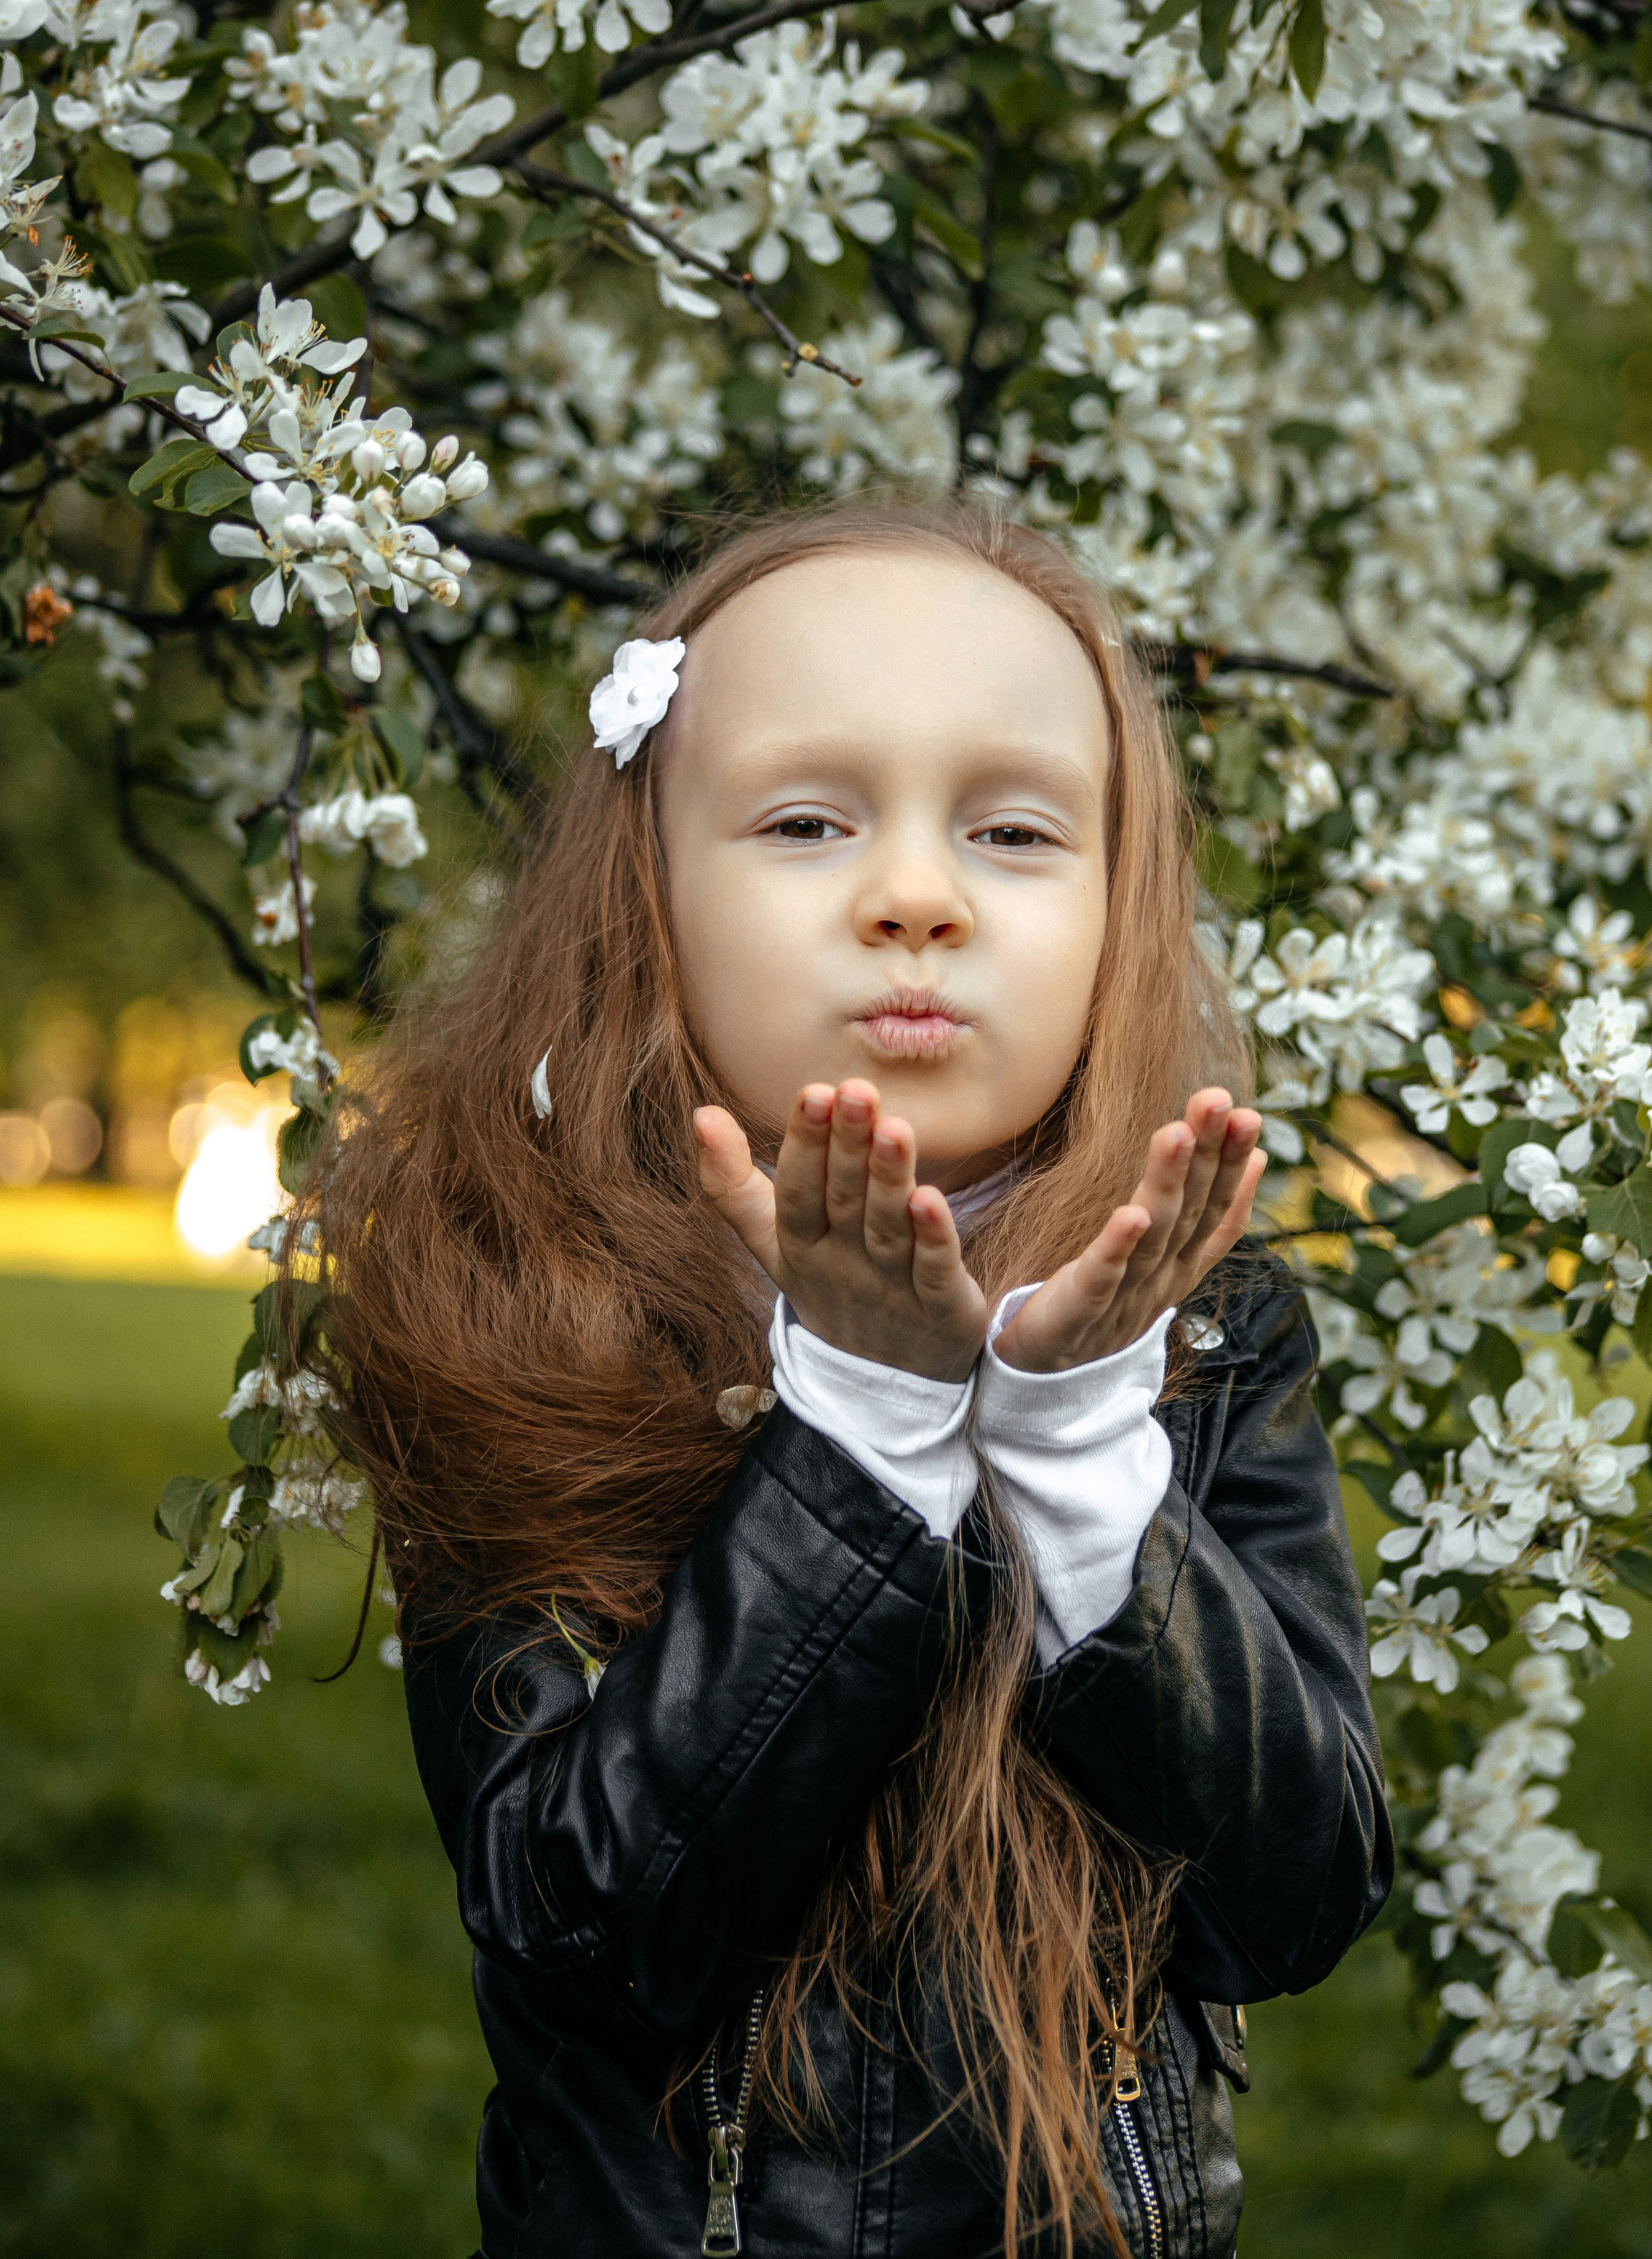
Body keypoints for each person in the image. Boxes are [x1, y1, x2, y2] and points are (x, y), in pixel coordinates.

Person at [307, 499, 1392, 2259]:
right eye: (806, 821)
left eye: (1015, 829)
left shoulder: (1197, 1332)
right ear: (642, 888)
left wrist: (1071, 1445)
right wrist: (866, 1443)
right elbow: (579, 1925)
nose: (912, 899)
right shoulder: (517, 1305)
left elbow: (1290, 1896)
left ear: (1119, 901)